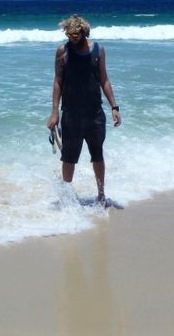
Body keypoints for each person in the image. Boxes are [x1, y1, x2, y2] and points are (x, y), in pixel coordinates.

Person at [47, 14, 121, 204]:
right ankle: (66, 198)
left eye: (76, 37)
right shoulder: (62, 52)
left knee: (97, 154)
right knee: (69, 158)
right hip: (71, 114)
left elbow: (104, 79)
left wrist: (114, 106)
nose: (73, 40)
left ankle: (101, 194)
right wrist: (54, 112)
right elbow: (58, 82)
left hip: (95, 113)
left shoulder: (98, 50)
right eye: (70, 36)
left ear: (84, 33)